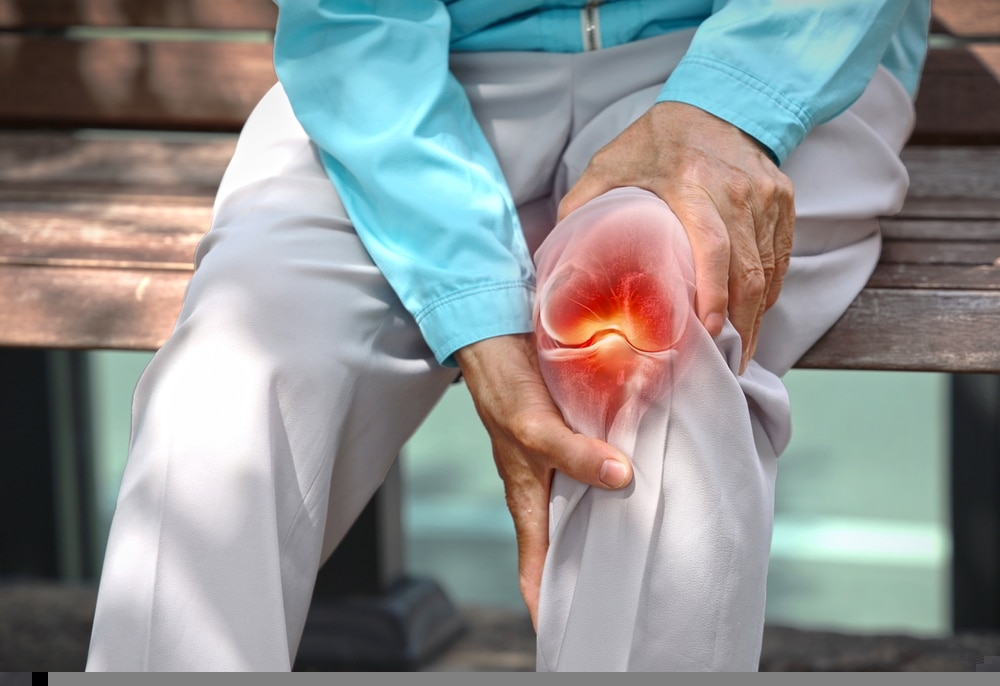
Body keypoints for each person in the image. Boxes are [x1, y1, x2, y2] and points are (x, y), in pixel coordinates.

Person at [86, 0, 931, 672]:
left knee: (649, 343)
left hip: (743, 60)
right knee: (226, 380)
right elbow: (353, 21)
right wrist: (476, 312)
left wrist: (731, 105)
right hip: (402, 81)